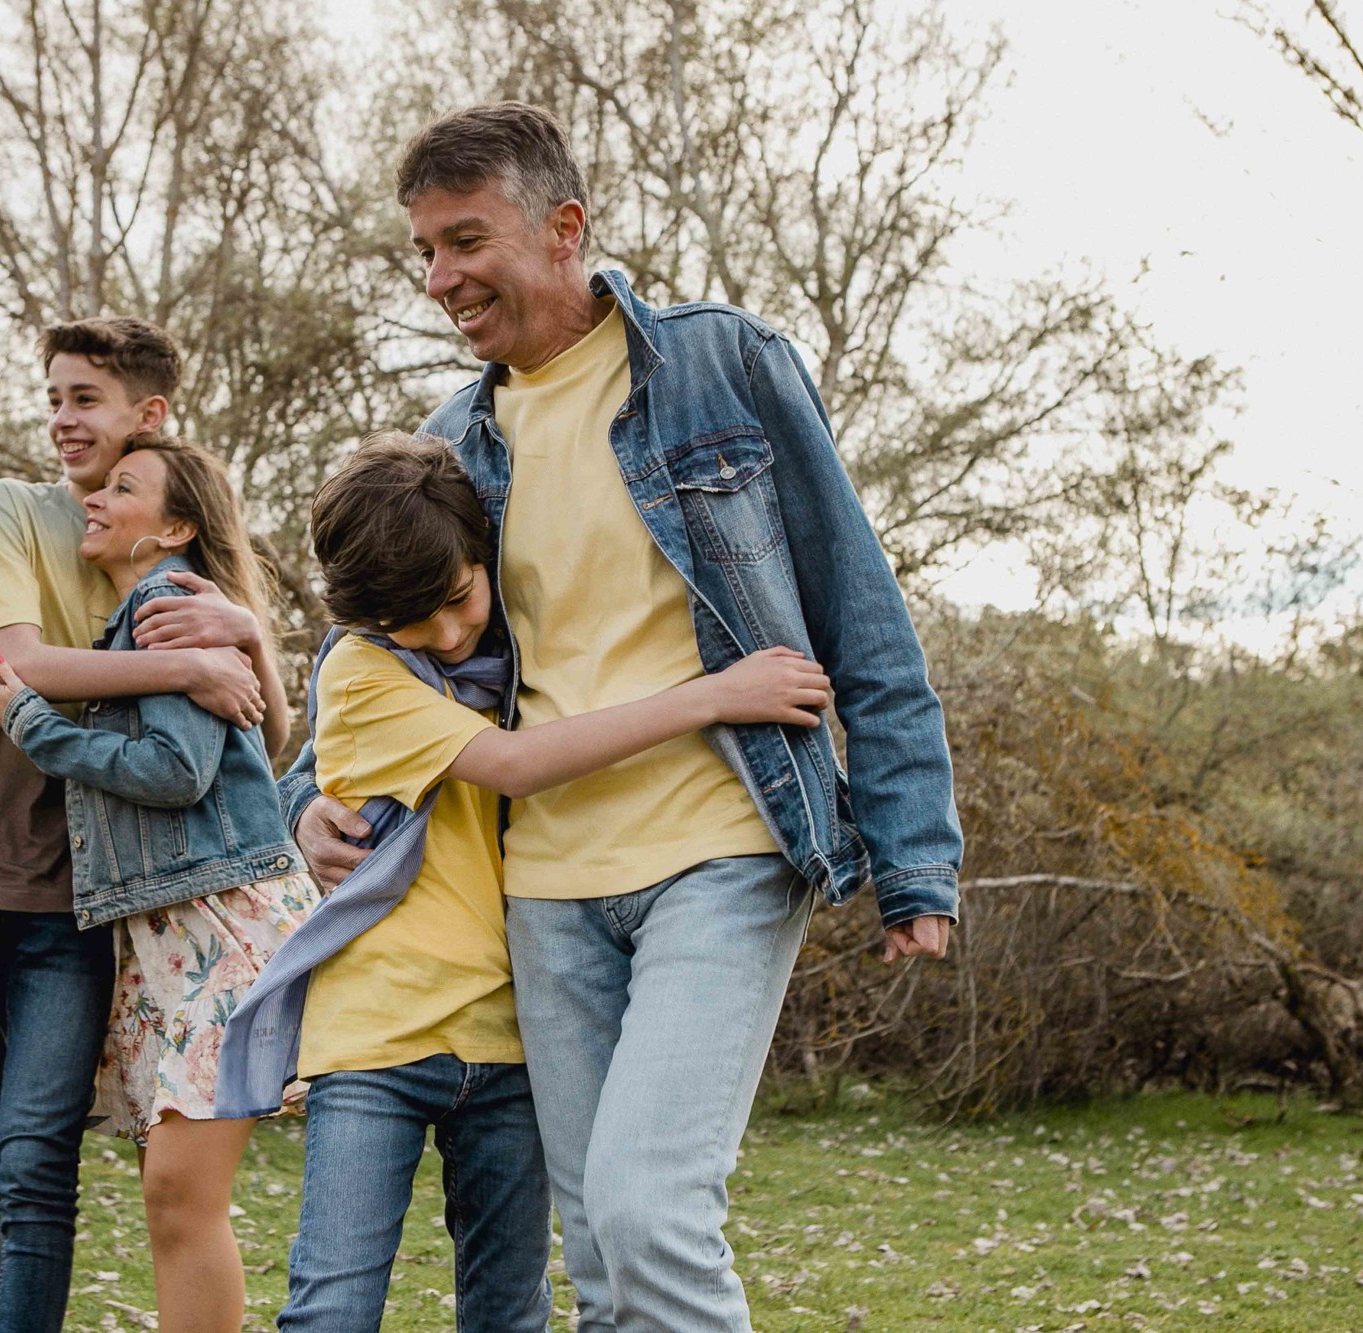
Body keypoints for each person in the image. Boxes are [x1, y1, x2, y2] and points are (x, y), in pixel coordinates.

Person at [279, 104, 964, 1332]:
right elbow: (365, 656)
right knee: (598, 1253)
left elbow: (860, 611)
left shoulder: (721, 364)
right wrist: (308, 800)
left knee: (650, 1209)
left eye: (464, 240)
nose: (439, 277)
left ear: (564, 227)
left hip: (722, 842)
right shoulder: (452, 441)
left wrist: (914, 854)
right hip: (542, 886)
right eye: (425, 250)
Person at [220, 433, 835, 1332]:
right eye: (413, 622)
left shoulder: (505, 656)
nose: (446, 632)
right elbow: (514, 766)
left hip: (507, 1038)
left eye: (459, 599)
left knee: (510, 1312)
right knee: (333, 1305)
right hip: (377, 1033)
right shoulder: (361, 668)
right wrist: (712, 695)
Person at [0, 317, 286, 1333]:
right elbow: (20, 663)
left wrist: (242, 637)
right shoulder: (14, 512)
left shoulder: (160, 549)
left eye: (85, 400)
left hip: (82, 899)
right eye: (54, 397)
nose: (62, 421)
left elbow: (263, 734)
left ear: (146, 415)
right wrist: (184, 665)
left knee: (37, 1162)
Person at [0, 433, 318, 1333]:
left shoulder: (165, 604)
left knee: (178, 1192)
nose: (96, 496)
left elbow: (175, 771)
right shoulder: (146, 621)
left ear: (172, 528)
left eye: (124, 488)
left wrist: (32, 723)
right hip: (168, 931)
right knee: (172, 1197)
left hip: (219, 920)